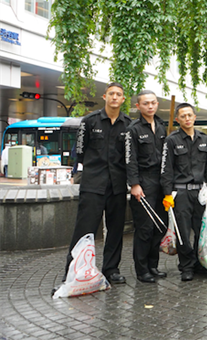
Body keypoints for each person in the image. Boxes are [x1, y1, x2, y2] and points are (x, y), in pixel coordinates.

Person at [62, 82, 133, 285]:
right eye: (111, 93)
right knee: (84, 229)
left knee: (116, 230)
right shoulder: (90, 121)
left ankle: (111, 269)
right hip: (93, 184)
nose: (114, 97)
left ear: (122, 99)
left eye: (118, 94)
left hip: (118, 185)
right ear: (105, 97)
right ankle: (74, 271)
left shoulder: (128, 124)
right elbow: (81, 152)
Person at [160, 103, 207, 281]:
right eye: (183, 116)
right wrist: (167, 193)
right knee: (183, 232)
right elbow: (166, 169)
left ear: (194, 116)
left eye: (190, 115)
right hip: (181, 193)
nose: (187, 119)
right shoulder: (172, 140)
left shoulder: (204, 139)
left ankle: (200, 263)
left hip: (200, 192)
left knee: (202, 231)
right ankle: (186, 266)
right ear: (177, 119)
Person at [125, 90, 168, 283]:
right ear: (138, 106)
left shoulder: (160, 126)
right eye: (146, 103)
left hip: (161, 182)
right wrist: (134, 184)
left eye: (153, 103)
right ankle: (142, 270)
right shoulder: (133, 129)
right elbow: (129, 159)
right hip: (143, 181)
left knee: (160, 226)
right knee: (145, 228)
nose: (150, 106)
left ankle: (153, 265)